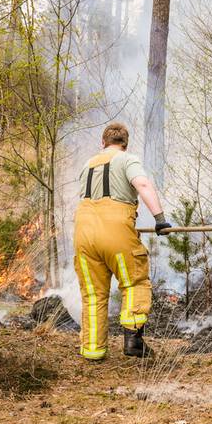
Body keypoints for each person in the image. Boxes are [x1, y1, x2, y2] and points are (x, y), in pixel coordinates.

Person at [73, 122, 173, 360]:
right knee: (134, 281)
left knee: (93, 294)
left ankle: (93, 352)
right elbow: (143, 184)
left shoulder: (87, 164)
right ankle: (133, 341)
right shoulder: (127, 160)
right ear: (125, 145)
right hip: (115, 230)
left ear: (103, 143)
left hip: (83, 234)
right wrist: (160, 218)